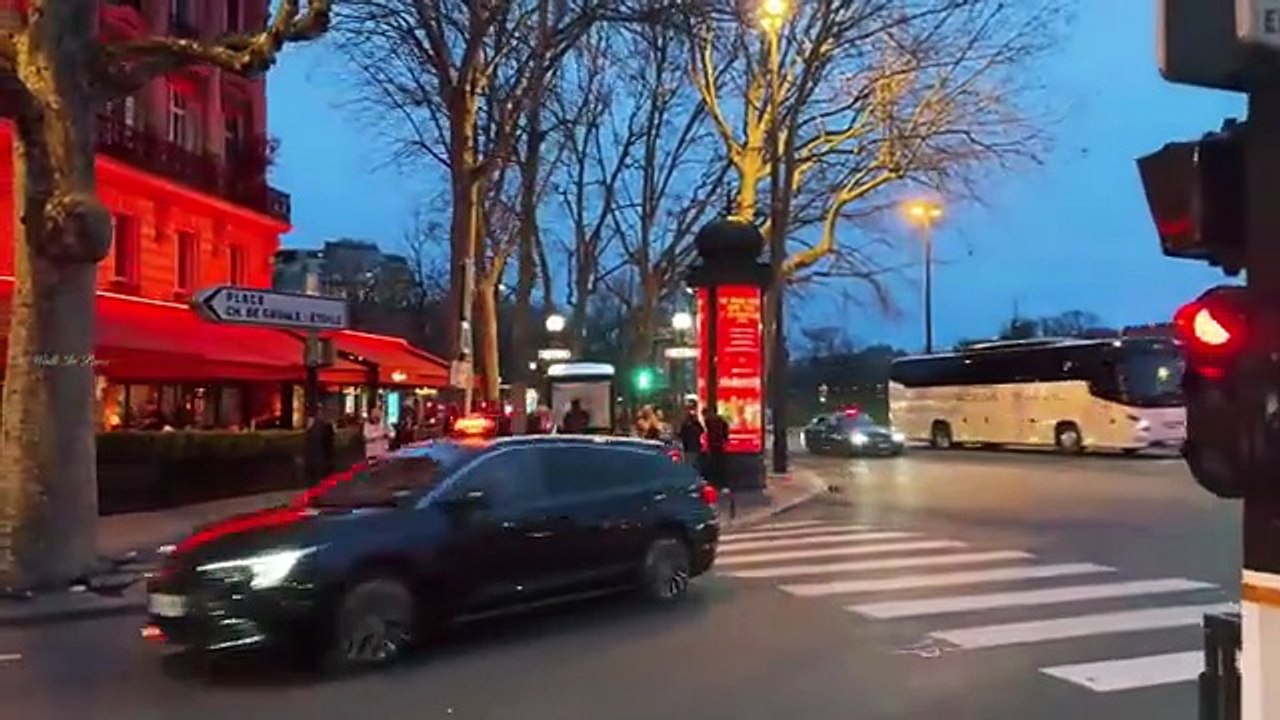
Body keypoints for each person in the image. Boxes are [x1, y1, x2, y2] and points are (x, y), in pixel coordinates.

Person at [304, 407, 336, 484]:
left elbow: (330, 437)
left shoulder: (324, 424)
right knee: (317, 468)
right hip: (318, 451)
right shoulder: (324, 423)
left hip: (320, 451)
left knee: (318, 468)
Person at [702, 405, 729, 489]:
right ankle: (722, 484)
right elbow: (726, 428)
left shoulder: (708, 420)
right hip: (719, 444)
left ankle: (713, 482)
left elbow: (708, 432)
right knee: (720, 465)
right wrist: (725, 438)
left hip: (713, 445)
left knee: (712, 464)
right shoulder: (720, 419)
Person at [678, 402, 705, 469]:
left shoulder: (685, 422)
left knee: (691, 465)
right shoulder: (693, 423)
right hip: (694, 448)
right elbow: (701, 431)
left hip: (690, 448)